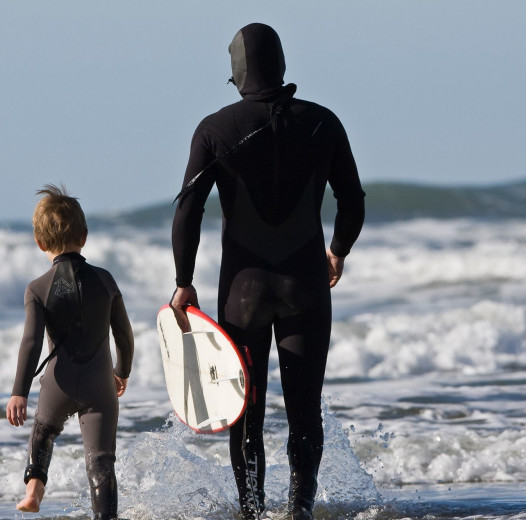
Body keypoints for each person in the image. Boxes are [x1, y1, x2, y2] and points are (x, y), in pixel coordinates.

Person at [170, 23, 365, 520]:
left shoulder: (214, 129)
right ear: (280, 65)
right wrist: (337, 251)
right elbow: (353, 201)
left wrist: (183, 281)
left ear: (237, 74)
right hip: (305, 284)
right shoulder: (323, 123)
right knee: (304, 408)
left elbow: (187, 211)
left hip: (243, 294)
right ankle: (300, 509)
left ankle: (253, 513)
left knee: (246, 414)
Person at [6, 185, 134, 519]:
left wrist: (19, 392)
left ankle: (34, 488)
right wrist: (122, 371)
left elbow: (31, 342)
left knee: (44, 431)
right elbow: (123, 333)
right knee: (101, 463)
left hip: (58, 384)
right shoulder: (105, 281)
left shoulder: (37, 288)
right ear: (85, 235)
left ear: (40, 243)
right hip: (100, 387)